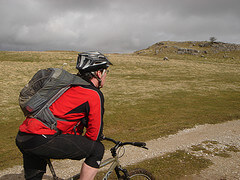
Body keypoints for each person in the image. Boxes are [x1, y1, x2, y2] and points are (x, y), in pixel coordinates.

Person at [16, 51, 112, 180]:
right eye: (106, 72)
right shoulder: (93, 94)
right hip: (43, 138)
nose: (106, 75)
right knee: (97, 149)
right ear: (99, 73)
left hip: (24, 136)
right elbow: (93, 135)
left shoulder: (68, 84)